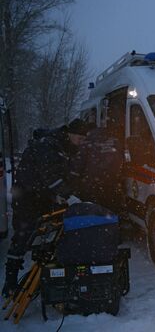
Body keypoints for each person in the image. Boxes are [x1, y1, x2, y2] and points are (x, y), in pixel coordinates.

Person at [2, 118, 90, 298]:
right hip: (26, 197)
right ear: (69, 134)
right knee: (22, 237)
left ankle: (45, 277)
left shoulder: (63, 147)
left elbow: (63, 175)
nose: (81, 143)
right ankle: (10, 284)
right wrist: (67, 195)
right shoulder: (49, 147)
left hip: (41, 197)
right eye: (80, 139)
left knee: (48, 237)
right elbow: (51, 177)